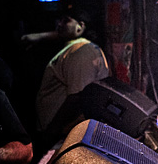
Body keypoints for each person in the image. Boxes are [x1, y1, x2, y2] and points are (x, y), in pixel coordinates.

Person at [25, 13, 110, 146]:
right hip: (63, 134)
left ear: (81, 26)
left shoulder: (82, 51)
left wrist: (52, 131)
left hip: (65, 135)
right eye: (59, 20)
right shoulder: (75, 48)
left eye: (66, 20)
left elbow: (77, 96)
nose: (59, 24)